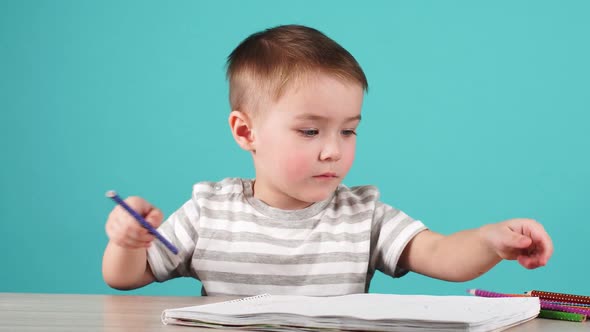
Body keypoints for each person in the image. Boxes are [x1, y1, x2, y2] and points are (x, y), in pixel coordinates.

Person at [102, 24, 553, 296]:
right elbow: (129, 278)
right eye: (310, 130)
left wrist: (490, 241)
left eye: (348, 130)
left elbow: (440, 254)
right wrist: (127, 244)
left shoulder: (362, 216)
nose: (333, 149)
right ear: (246, 132)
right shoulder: (209, 212)